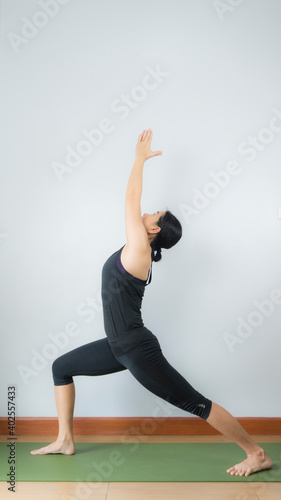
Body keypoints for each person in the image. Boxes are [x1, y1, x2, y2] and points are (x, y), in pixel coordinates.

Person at [31, 129, 272, 477]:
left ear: (155, 231)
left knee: (195, 403)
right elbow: (133, 206)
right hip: (118, 346)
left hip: (136, 348)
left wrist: (139, 159)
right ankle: (65, 440)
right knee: (60, 367)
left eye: (153, 214)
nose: (146, 213)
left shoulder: (140, 250)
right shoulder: (136, 249)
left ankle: (256, 452)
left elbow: (130, 199)